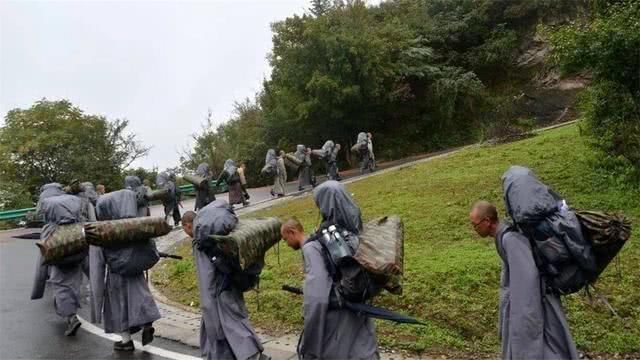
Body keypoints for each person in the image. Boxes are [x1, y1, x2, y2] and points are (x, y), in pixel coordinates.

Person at [280, 181, 378, 359]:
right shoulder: (356, 234)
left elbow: (316, 299)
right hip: (362, 317)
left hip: (337, 325)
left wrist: (309, 344)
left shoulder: (316, 245)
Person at [470, 200, 578, 360]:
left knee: (546, 349)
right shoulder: (503, 236)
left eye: (475, 224)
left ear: (487, 221)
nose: (474, 229)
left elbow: (527, 278)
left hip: (534, 304)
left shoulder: (510, 238)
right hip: (524, 303)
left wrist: (523, 318)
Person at [181, 202, 267, 360]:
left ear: (188, 225)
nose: (187, 234)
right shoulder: (221, 237)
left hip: (218, 292)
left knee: (230, 326)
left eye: (185, 230)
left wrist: (207, 305)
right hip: (232, 282)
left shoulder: (200, 244)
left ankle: (254, 356)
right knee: (236, 320)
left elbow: (205, 277)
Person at [90, 186, 161, 352]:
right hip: (135, 270)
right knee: (140, 296)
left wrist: (96, 297)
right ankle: (146, 323)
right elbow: (150, 247)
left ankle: (126, 341)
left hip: (116, 274)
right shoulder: (136, 225)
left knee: (118, 305)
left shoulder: (103, 230)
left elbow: (97, 262)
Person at [31, 186, 85, 337]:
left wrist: (39, 286)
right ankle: (71, 311)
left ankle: (71, 317)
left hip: (58, 261)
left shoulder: (50, 228)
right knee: (73, 284)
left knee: (61, 286)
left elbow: (42, 256)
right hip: (76, 258)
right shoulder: (78, 224)